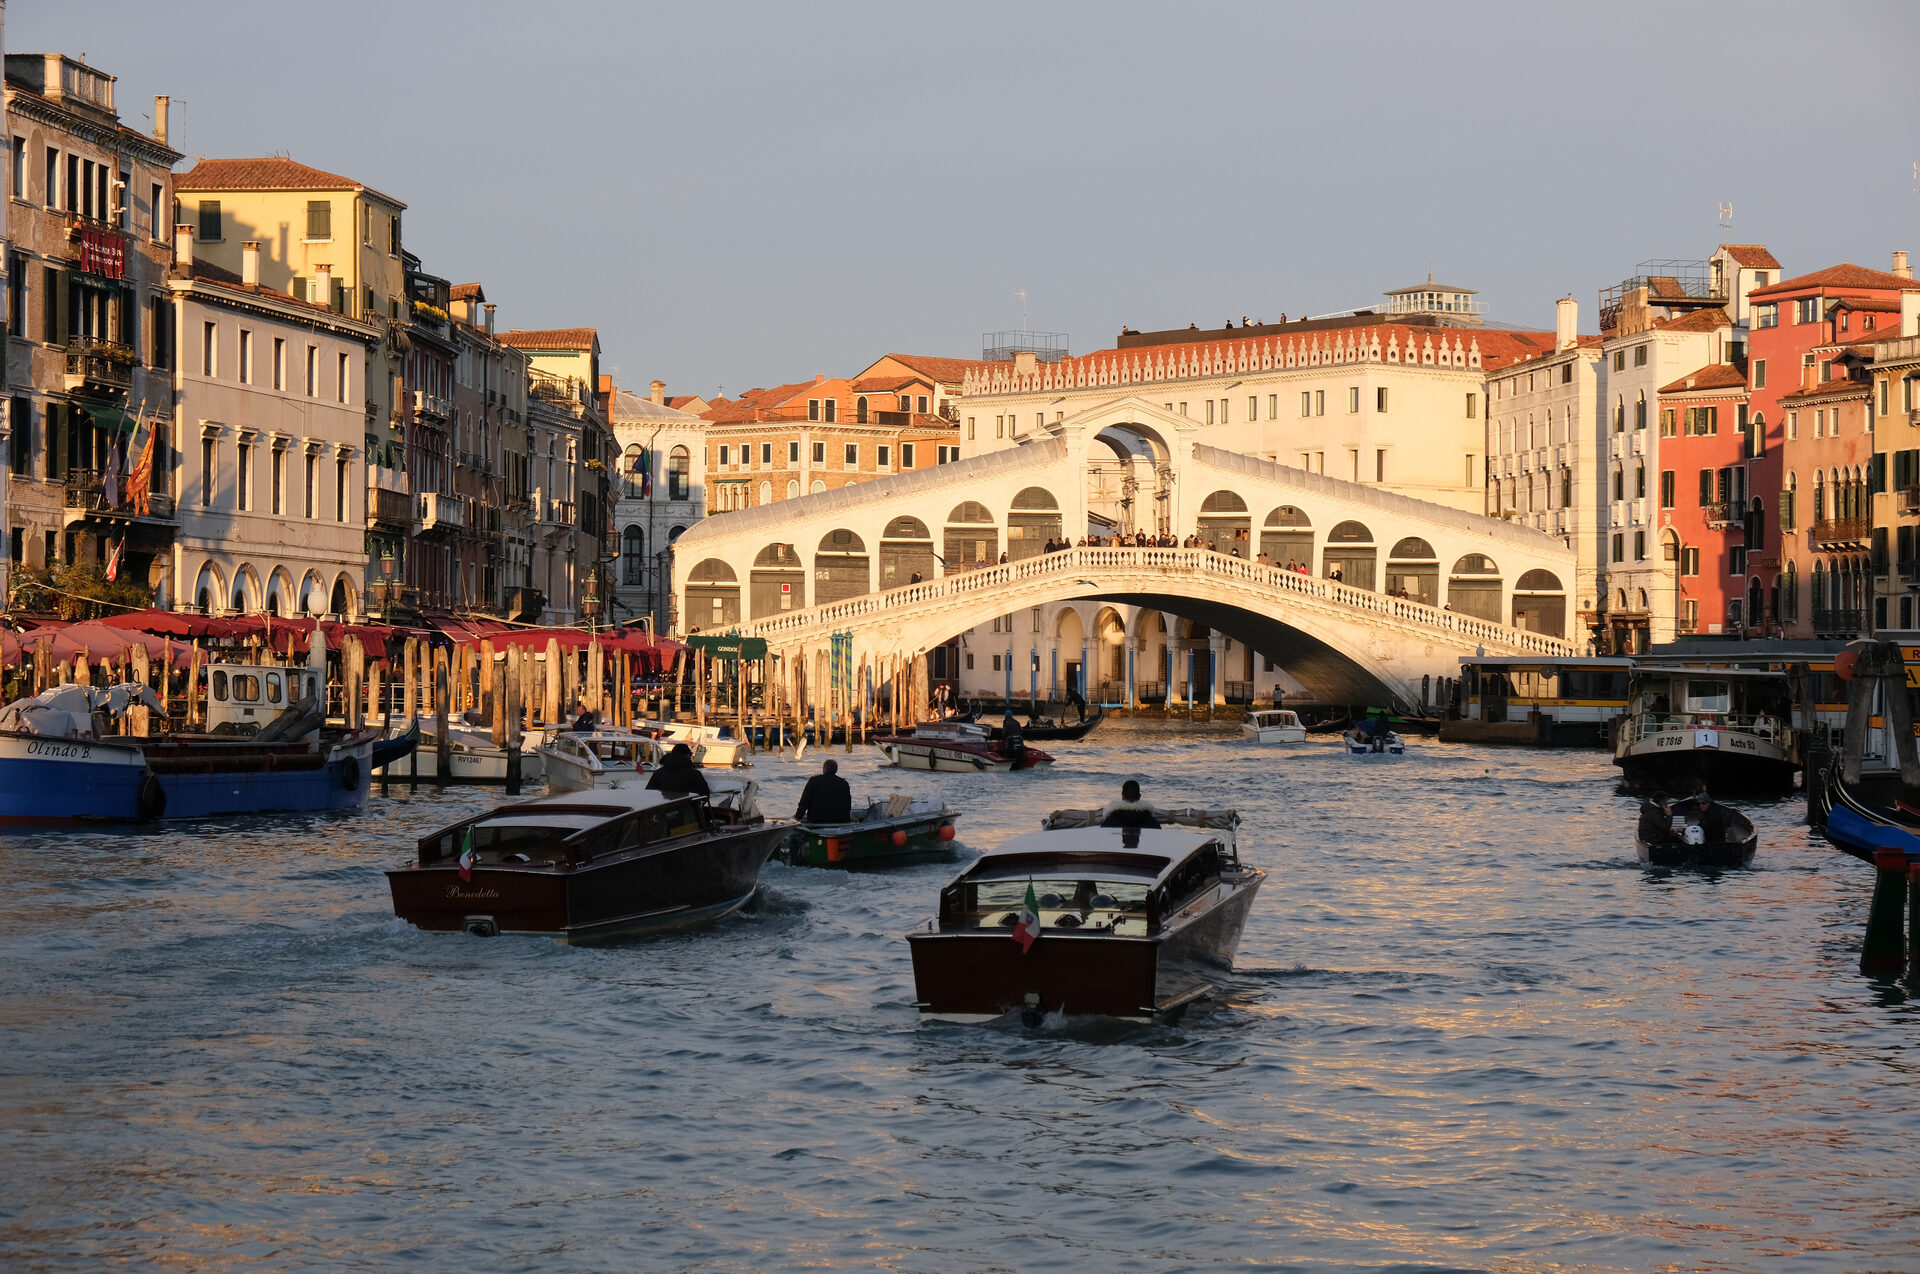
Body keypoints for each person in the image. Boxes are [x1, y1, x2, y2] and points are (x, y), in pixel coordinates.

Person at [793, 757, 853, 824]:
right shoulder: (844, 783)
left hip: (816, 820)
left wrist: (797, 818)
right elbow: (847, 804)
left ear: (824, 769)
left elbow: (804, 802)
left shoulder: (814, 781)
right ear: (836, 770)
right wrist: (846, 819)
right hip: (839, 820)